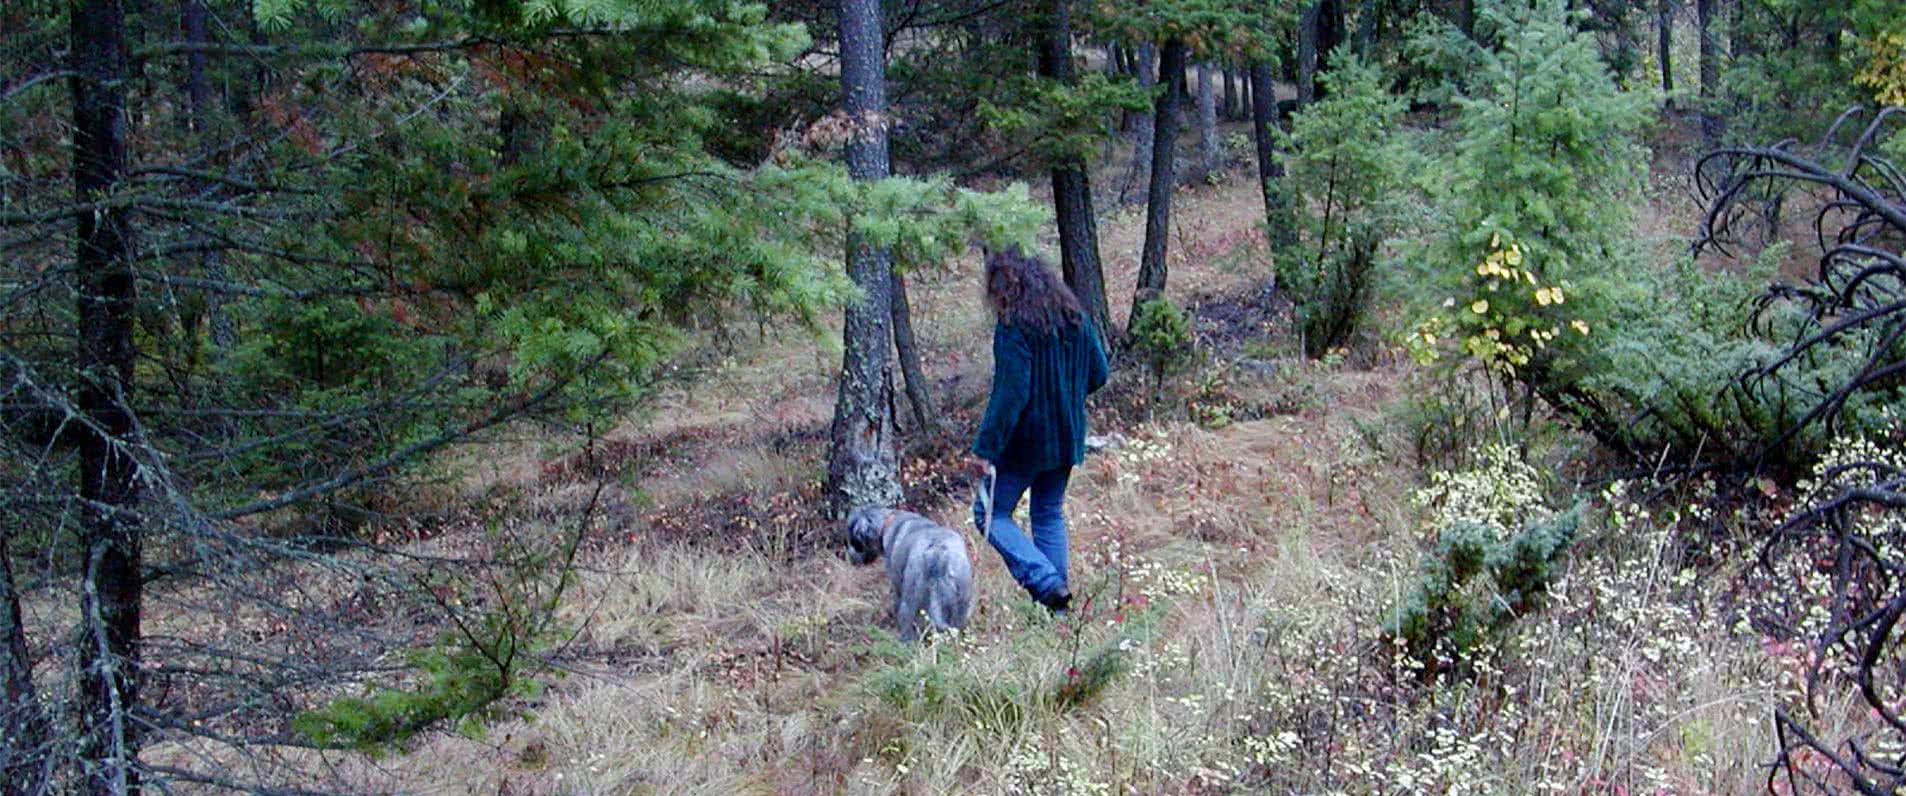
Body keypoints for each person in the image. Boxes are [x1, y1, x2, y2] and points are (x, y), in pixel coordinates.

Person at [968, 248, 1109, 614]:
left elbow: (1011, 394)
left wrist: (985, 448)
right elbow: (1099, 373)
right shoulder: (1075, 317)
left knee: (989, 515)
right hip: (1067, 436)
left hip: (1025, 445)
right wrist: (1065, 398)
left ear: (1003, 289)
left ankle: (1045, 583)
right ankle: (1057, 609)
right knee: (1047, 513)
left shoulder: (1014, 326)